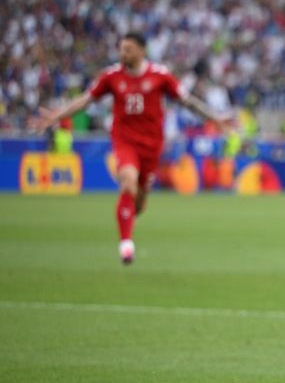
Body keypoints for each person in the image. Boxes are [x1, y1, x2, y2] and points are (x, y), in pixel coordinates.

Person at [32, 33, 232, 263]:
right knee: (128, 180)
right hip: (124, 140)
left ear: (141, 51)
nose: (123, 54)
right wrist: (57, 116)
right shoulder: (111, 76)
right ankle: (126, 244)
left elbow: (187, 101)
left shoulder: (160, 76)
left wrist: (215, 118)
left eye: (128, 49)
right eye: (121, 49)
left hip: (152, 144)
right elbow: (86, 100)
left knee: (139, 199)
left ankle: (129, 214)